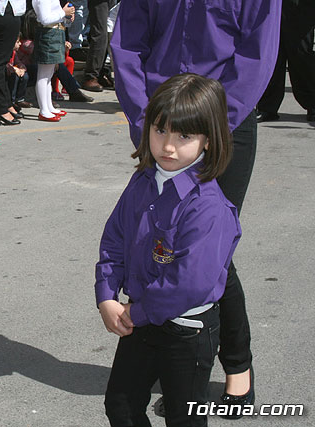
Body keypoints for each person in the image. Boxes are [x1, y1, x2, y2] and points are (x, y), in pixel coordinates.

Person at [110, 0, 281, 416]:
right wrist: (145, 120)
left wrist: (211, 131)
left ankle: (235, 364)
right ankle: (171, 363)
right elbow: (128, 44)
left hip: (225, 124)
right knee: (154, 237)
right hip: (162, 124)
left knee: (210, 251)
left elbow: (257, 52)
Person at [96, 73, 242, 426]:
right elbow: (115, 238)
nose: (169, 146)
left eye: (184, 135)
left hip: (186, 332)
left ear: (209, 140)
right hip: (140, 321)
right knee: (121, 404)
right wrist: (105, 294)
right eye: (160, 130)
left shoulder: (208, 207)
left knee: (184, 417)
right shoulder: (143, 179)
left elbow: (189, 281)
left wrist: (138, 312)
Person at [256, 0, 315, 123]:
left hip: (301, 6)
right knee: (273, 54)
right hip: (273, 5)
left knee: (301, 53)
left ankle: (312, 104)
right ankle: (267, 107)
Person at [32, 0, 75, 122]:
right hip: (48, 32)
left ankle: (48, 106)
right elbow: (45, 19)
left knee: (48, 74)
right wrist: (63, 12)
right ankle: (43, 110)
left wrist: (66, 15)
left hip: (54, 31)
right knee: (43, 75)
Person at [0, 0, 27, 125]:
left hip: (12, 11)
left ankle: (6, 103)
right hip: (0, 11)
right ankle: (0, 108)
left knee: (2, 62)